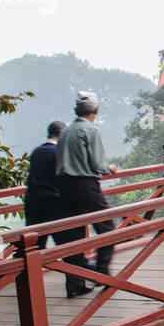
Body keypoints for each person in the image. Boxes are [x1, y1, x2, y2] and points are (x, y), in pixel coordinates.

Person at [56, 90, 120, 298]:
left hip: (64, 187)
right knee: (106, 226)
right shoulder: (90, 131)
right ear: (96, 110)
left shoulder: (65, 132)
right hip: (85, 185)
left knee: (73, 236)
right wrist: (109, 168)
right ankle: (102, 272)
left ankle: (74, 284)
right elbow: (97, 163)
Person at [24, 121, 67, 250]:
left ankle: (32, 270)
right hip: (52, 202)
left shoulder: (36, 151)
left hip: (32, 201)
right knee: (65, 243)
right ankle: (76, 269)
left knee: (34, 246)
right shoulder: (58, 152)